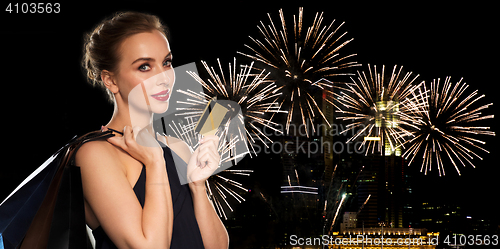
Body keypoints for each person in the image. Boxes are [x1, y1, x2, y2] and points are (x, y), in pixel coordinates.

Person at [77, 11, 228, 249]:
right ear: (111, 80)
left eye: (166, 62)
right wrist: (155, 162)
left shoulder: (176, 146)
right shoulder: (95, 154)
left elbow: (217, 247)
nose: (164, 77)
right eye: (145, 66)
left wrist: (199, 187)